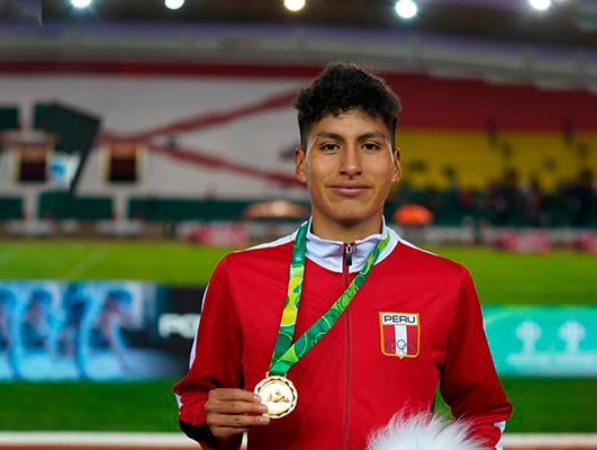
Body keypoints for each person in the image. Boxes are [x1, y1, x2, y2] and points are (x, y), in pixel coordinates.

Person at [173, 63, 512, 450]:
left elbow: (486, 413)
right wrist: (210, 419)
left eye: (370, 146)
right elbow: (195, 398)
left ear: (395, 164)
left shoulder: (446, 282)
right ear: (301, 164)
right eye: (330, 146)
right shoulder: (238, 275)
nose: (351, 166)